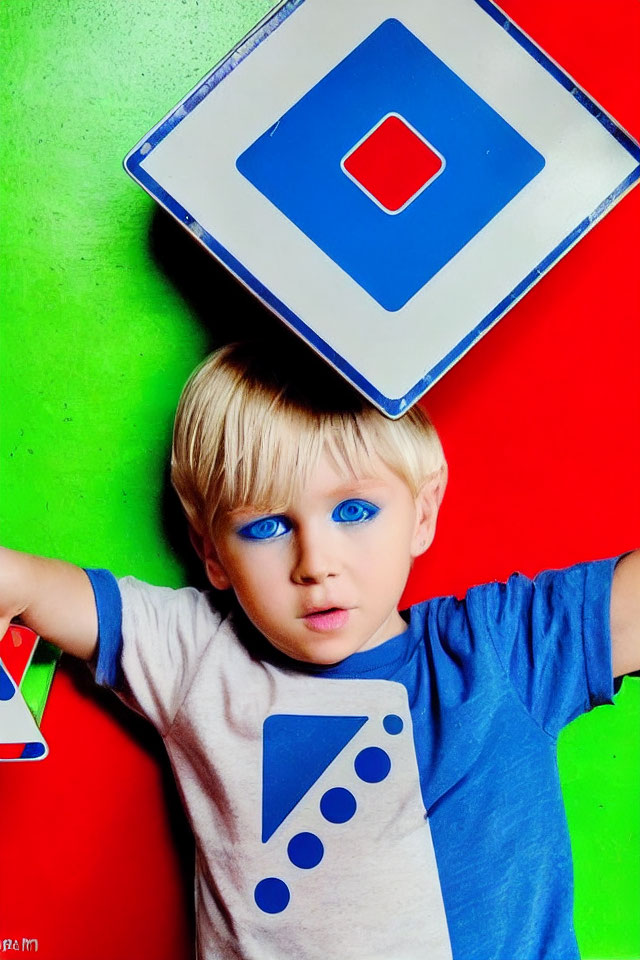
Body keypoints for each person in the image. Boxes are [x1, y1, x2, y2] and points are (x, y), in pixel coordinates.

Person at [1, 340, 638, 960]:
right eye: (268, 527)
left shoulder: (502, 649)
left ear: (423, 511)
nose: (316, 564)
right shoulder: (200, 655)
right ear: (212, 554)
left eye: (355, 511)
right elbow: (35, 585)